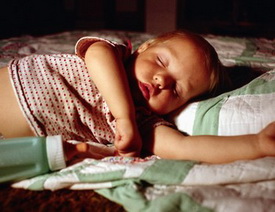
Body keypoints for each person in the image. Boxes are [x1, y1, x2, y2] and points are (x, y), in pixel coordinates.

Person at [0, 30, 274, 165]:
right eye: (161, 61)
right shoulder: (115, 57)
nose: (161, 80)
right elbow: (95, 52)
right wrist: (123, 116)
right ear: (143, 48)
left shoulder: (146, 123)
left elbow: (185, 148)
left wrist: (257, 144)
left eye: (176, 90)